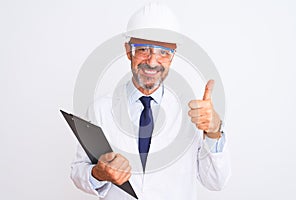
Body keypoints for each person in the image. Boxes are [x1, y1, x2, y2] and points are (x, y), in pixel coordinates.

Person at [70, 2, 231, 200]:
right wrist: (98, 173)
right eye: (143, 49)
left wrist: (214, 133)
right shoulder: (100, 109)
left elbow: (216, 181)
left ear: (172, 57)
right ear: (129, 51)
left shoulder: (193, 114)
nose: (153, 62)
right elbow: (79, 171)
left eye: (163, 52)